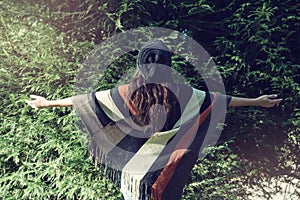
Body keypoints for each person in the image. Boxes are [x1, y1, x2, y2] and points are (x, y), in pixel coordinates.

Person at [26, 41, 282, 200]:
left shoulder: (125, 93)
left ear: (139, 66)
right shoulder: (185, 94)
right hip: (165, 178)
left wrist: (47, 103)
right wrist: (257, 101)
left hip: (133, 176)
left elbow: (87, 99)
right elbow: (220, 100)